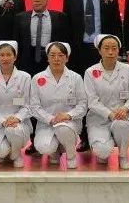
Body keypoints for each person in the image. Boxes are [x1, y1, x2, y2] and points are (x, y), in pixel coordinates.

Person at [28, 41, 87, 169]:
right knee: (44, 147)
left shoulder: (76, 78)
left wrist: (68, 115)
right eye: (52, 55)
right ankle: (54, 151)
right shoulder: (37, 78)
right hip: (46, 124)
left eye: (60, 55)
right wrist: (50, 119)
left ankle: (71, 156)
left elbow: (83, 105)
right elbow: (34, 106)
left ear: (67, 58)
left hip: (69, 123)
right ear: (47, 58)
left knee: (63, 129)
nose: (56, 59)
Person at [83, 34, 129, 169]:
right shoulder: (90, 72)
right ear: (99, 50)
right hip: (98, 119)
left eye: (114, 48)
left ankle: (123, 155)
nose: (111, 52)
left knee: (121, 125)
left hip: (123, 116)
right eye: (106, 48)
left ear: (118, 50)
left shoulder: (128, 70)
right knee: (102, 152)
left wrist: (125, 109)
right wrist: (110, 114)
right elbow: (92, 101)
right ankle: (104, 149)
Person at [62, 0, 122, 75]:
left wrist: (119, 49)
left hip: (103, 49)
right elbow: (66, 24)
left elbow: (116, 22)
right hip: (78, 49)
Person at [0, 40, 32, 168]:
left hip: (19, 123)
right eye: (2, 55)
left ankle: (16, 154)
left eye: (9, 55)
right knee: (0, 152)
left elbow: (28, 104)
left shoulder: (25, 77)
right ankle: (5, 151)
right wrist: (2, 121)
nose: (5, 58)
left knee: (13, 130)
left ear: (15, 57)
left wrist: (17, 118)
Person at [13, 0, 70, 76]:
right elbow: (16, 41)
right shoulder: (20, 18)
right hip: (26, 61)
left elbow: (65, 41)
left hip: (52, 59)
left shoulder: (60, 17)